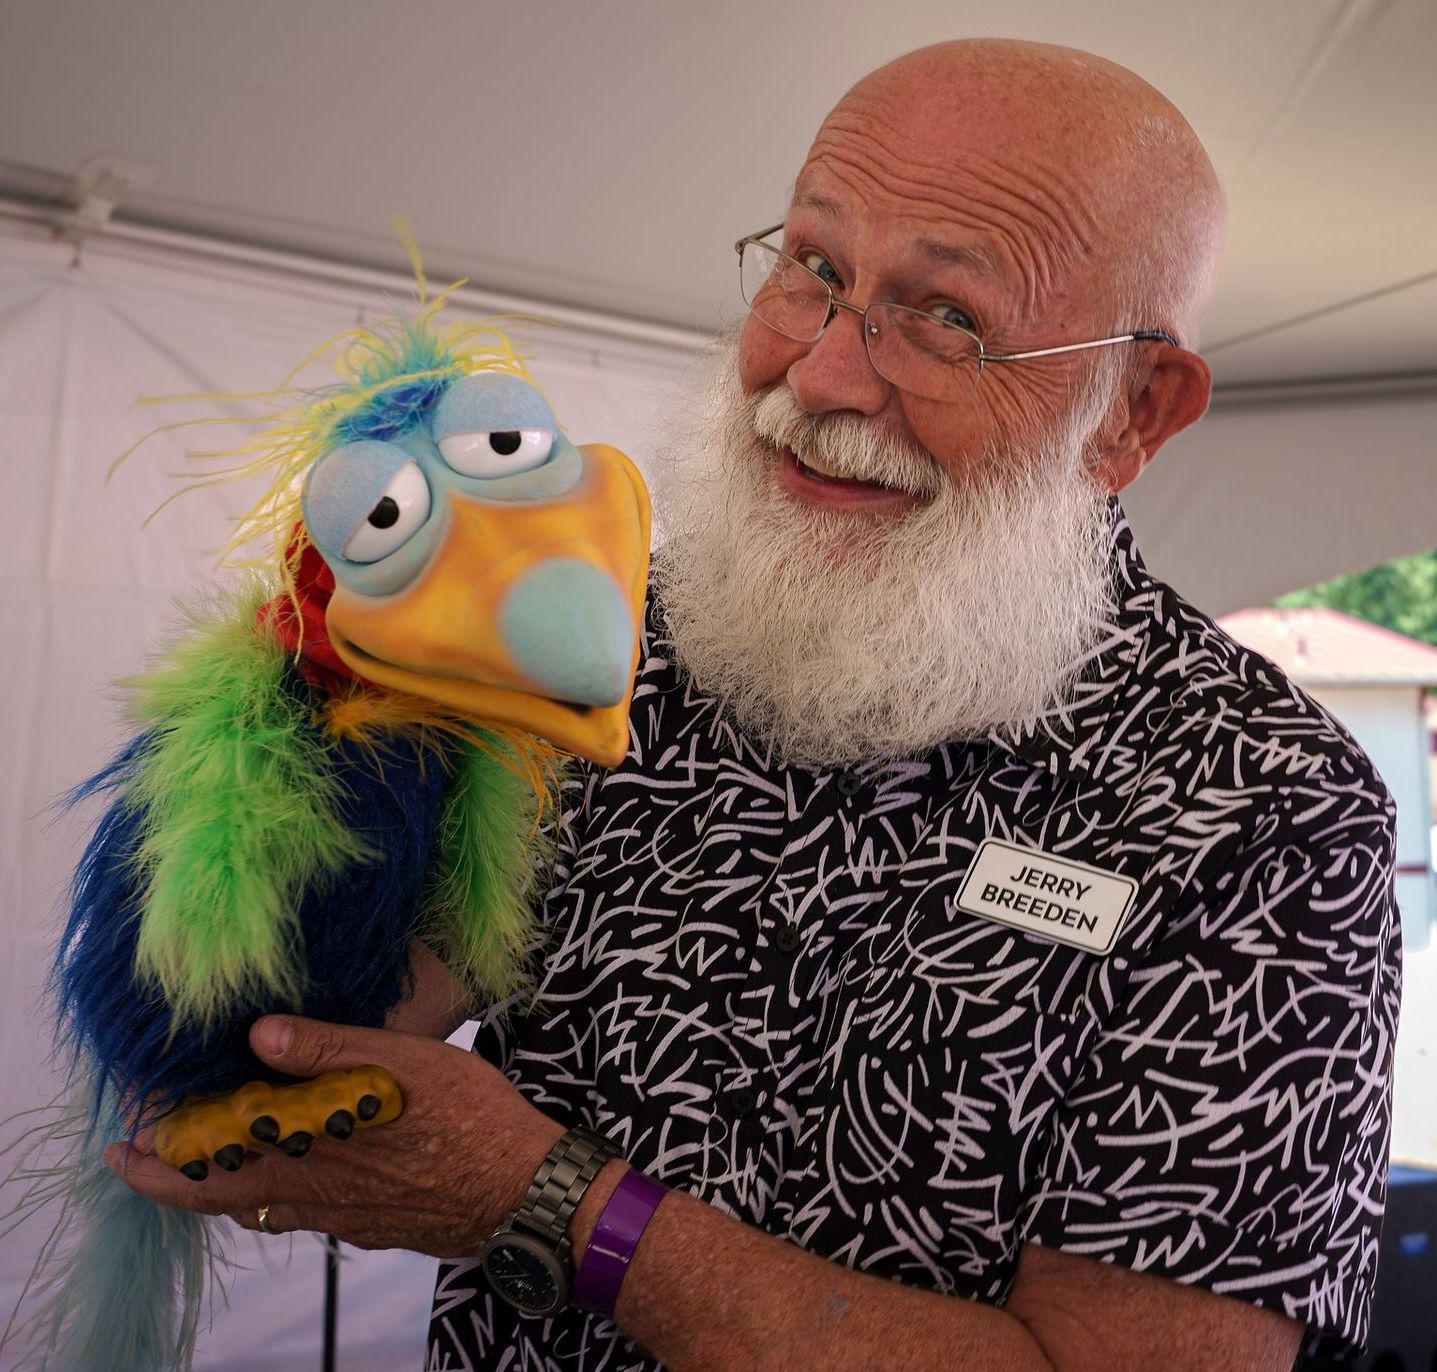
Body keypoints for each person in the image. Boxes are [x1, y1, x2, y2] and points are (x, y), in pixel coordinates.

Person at [108, 38, 1400, 1370]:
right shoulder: (609, 643)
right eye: (816, 272)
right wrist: (276, 745)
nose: (826, 376)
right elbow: (301, 1043)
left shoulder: (1261, 811)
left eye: (947, 320)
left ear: (1134, 412)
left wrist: (552, 1207)